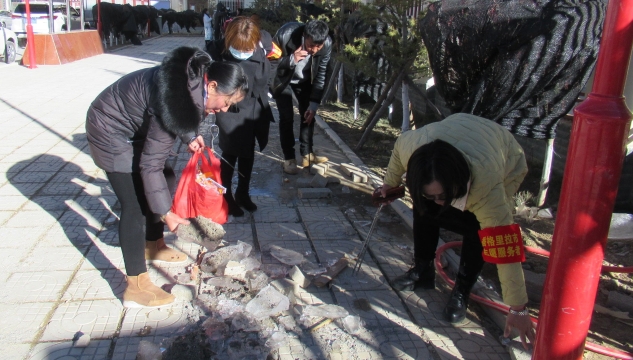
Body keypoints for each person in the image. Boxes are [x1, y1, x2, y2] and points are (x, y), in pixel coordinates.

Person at [85, 47, 247, 308]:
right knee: (135, 205)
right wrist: (167, 214)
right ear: (213, 85)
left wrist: (189, 136)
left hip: (135, 127)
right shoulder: (174, 97)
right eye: (227, 101)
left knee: (167, 180)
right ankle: (135, 286)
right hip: (109, 129)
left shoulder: (194, 84)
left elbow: (179, 116)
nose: (225, 109)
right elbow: (150, 163)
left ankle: (154, 244)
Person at [380, 113, 535, 349]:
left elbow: (505, 250)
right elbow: (398, 151)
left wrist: (518, 308)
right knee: (424, 210)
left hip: (505, 156)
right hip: (460, 135)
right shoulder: (412, 147)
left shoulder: (487, 188)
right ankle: (422, 271)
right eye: (431, 194)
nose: (439, 201)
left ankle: (462, 290)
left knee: (478, 229)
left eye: (443, 195)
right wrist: (389, 185)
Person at [205, 16, 280, 217]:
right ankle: (225, 195)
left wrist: (268, 82)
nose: (243, 52)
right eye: (238, 48)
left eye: (247, 48)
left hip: (255, 106)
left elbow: (276, 59)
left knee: (248, 151)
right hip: (231, 108)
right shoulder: (217, 50)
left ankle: (243, 192)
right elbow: (207, 76)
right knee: (230, 151)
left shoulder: (264, 42)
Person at [272, 20, 332, 174]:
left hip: (304, 81)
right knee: (287, 117)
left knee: (308, 115)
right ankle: (289, 158)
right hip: (283, 80)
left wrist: (314, 104)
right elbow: (270, 63)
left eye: (318, 46)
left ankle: (307, 154)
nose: (314, 50)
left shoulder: (326, 45)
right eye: (311, 45)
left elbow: (321, 75)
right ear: (304, 35)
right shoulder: (285, 35)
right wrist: (291, 59)